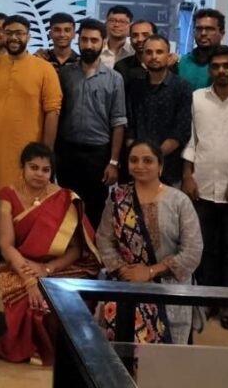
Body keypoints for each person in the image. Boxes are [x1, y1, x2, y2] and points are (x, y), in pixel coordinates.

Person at [0, 142, 100, 366]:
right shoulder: (8, 194)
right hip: (18, 263)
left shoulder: (65, 198)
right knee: (27, 301)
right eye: (33, 167)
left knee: (62, 298)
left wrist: (47, 269)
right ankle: (29, 349)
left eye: (45, 169)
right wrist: (30, 280)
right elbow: (6, 245)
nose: (39, 174)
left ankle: (66, 352)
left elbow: (76, 249)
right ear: (22, 167)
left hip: (60, 266)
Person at [96, 141, 203, 345]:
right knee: (118, 337)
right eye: (134, 160)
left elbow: (192, 251)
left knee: (161, 356)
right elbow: (104, 238)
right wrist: (123, 270)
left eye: (148, 161)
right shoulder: (117, 198)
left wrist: (150, 272)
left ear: (160, 166)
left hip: (168, 284)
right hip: (126, 281)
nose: (140, 166)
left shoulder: (179, 201)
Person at [182, 45, 228, 331]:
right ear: (209, 70)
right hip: (201, 184)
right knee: (204, 247)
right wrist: (187, 175)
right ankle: (207, 299)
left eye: (227, 66)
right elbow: (191, 139)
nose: (221, 71)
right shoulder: (197, 98)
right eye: (216, 66)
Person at [55, 18, 127, 229]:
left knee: (94, 210)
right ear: (78, 41)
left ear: (103, 42)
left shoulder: (114, 78)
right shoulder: (65, 74)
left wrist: (113, 162)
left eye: (94, 40)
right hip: (67, 152)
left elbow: (118, 121)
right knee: (65, 209)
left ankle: (91, 250)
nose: (88, 45)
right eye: (84, 39)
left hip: (98, 155)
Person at [0, 15, 61, 198]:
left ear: (28, 36)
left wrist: (46, 153)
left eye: (19, 33)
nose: (14, 37)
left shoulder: (45, 69)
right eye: (8, 33)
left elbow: (52, 112)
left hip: (30, 152)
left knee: (25, 201)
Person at [125, 35, 192, 185]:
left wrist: (153, 159)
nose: (154, 56)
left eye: (159, 52)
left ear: (168, 56)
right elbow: (130, 127)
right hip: (137, 168)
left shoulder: (182, 88)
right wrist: (139, 159)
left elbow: (181, 131)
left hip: (169, 169)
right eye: (148, 52)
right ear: (142, 56)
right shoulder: (134, 87)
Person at [178, 8, 228, 91]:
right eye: (199, 29)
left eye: (209, 29)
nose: (203, 33)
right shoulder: (183, 63)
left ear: (222, 33)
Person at [114, 19, 157, 85]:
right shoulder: (121, 67)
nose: (140, 39)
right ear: (130, 39)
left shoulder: (168, 64)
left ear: (156, 37)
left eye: (145, 35)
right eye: (135, 35)